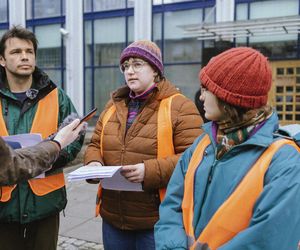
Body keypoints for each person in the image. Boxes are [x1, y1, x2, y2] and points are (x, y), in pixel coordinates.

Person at [155, 47, 300, 250]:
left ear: (229, 98)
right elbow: (172, 206)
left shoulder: (284, 161)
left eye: (207, 89)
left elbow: (267, 240)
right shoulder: (203, 143)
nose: (201, 97)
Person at [84, 40, 203, 250]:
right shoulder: (113, 105)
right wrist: (93, 162)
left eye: (138, 64)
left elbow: (194, 158)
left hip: (157, 220)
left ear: (156, 70)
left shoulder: (180, 106)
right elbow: (95, 144)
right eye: (126, 66)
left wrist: (148, 171)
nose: (130, 71)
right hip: (113, 218)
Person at [0, 26, 84, 250]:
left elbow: (76, 135)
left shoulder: (56, 95)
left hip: (45, 203)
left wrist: (51, 158)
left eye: (29, 51)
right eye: (16, 52)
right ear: (2, 60)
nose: (25, 56)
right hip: (3, 208)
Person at [0, 119, 85, 185]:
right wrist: (56, 144)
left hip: (46, 197)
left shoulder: (59, 98)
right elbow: (13, 164)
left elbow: (72, 148)